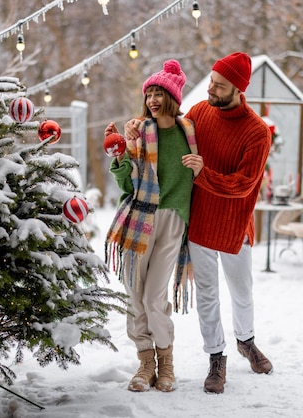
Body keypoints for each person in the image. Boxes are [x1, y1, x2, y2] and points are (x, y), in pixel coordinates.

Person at [125, 51, 273, 394]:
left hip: (235, 226)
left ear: (238, 89)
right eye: (211, 81)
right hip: (202, 223)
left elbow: (245, 184)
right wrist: (136, 124)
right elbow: (167, 128)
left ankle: (246, 340)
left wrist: (204, 173)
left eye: (219, 86)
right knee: (207, 295)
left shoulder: (257, 132)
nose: (210, 89)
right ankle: (216, 358)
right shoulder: (200, 113)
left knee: (242, 292)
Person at [104, 59, 198, 393]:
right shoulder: (140, 133)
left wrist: (200, 168)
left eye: (159, 93)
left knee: (156, 296)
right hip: (139, 218)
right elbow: (127, 185)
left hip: (173, 219)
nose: (153, 100)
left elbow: (200, 176)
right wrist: (118, 157)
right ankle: (146, 365)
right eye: (149, 94)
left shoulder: (191, 134)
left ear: (172, 98)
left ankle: (167, 364)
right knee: (134, 294)